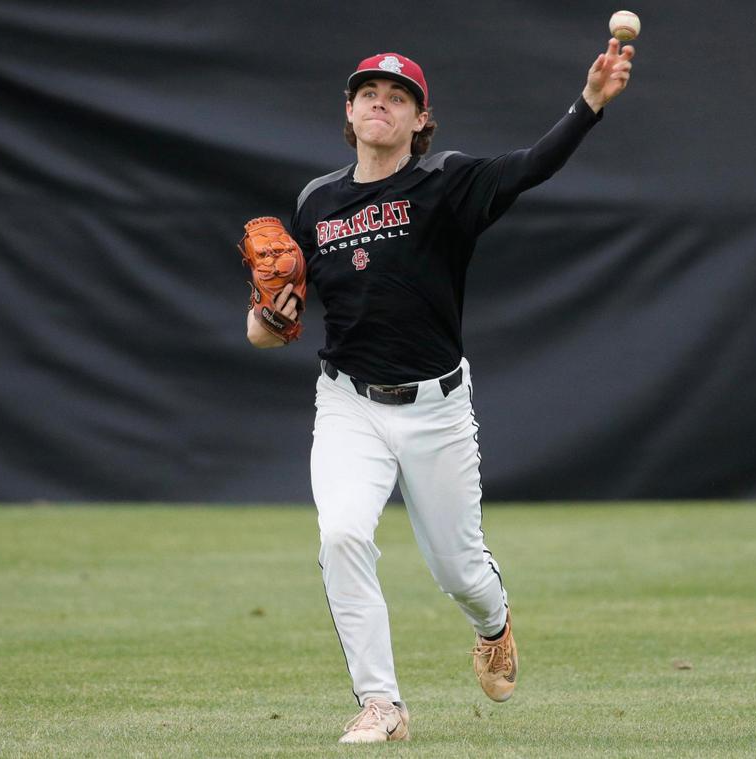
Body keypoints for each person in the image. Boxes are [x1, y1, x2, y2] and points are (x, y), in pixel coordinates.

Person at [246, 40, 634, 743]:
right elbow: (268, 331)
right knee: (341, 533)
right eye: (369, 92)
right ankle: (381, 704)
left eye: (398, 97)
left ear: (420, 120)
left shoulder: (446, 183)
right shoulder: (316, 202)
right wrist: (269, 316)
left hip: (436, 407)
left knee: (459, 571)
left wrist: (589, 107)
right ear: (349, 110)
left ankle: (494, 623)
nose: (380, 103)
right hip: (348, 401)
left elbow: (528, 167)